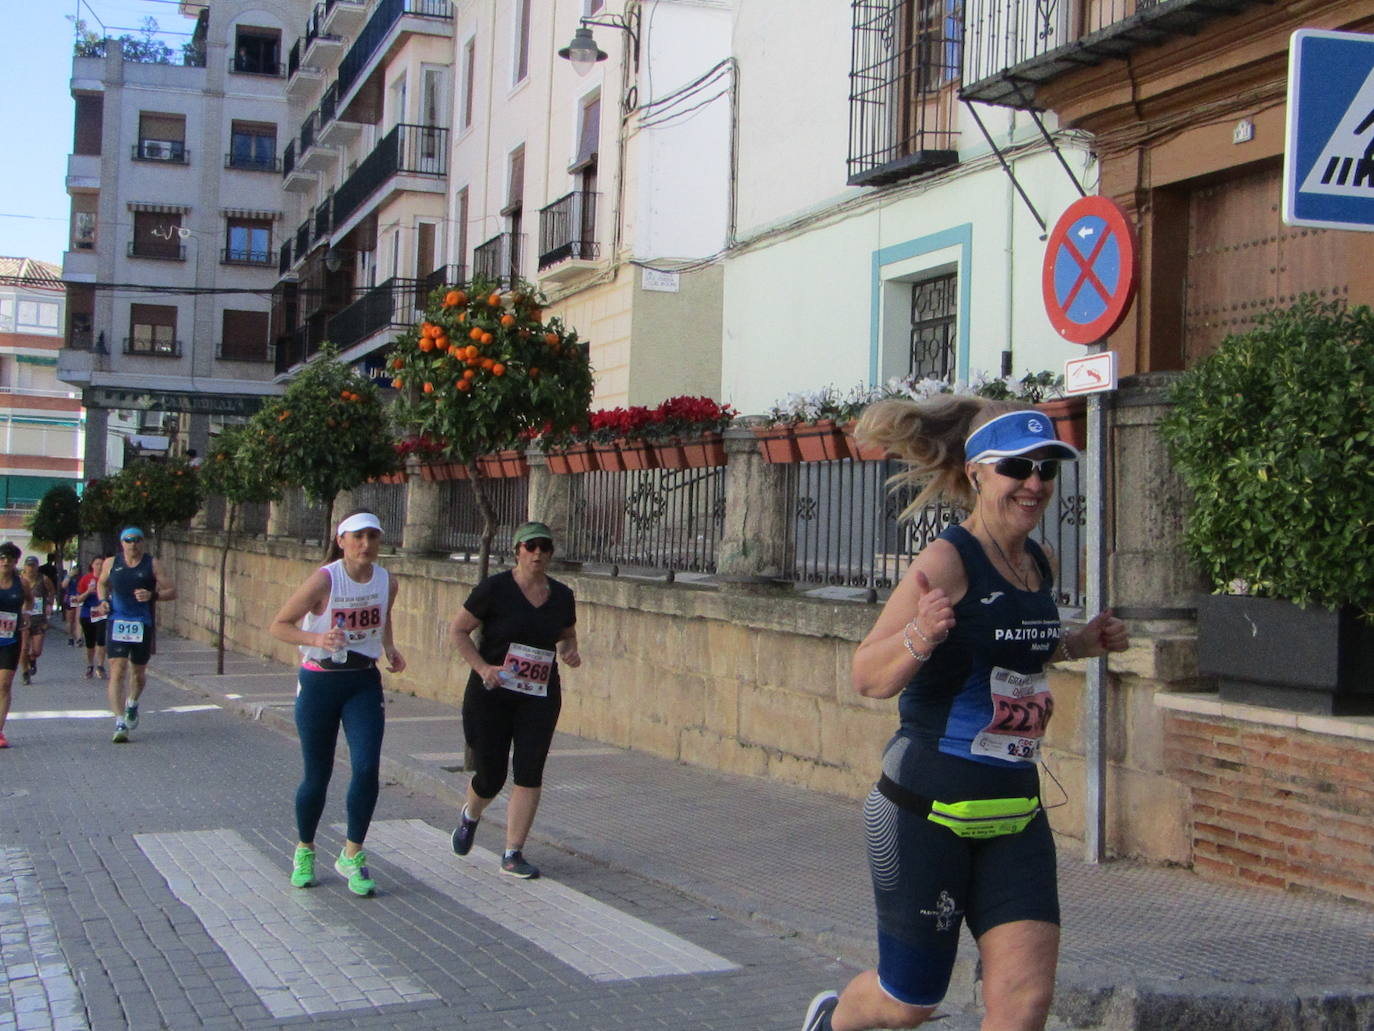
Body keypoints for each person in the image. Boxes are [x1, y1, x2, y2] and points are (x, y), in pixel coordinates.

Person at [800, 401, 1130, 1031]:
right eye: (1017, 467)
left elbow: (1015, 651)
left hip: (1015, 816)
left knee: (1024, 1003)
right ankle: (834, 1019)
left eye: (1046, 468)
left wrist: (1081, 645)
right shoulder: (946, 562)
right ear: (978, 472)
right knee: (909, 1002)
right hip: (927, 812)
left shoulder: (1040, 562)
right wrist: (919, 637)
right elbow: (867, 673)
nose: (1034, 482)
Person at [268, 510, 405, 897]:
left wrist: (389, 648)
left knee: (366, 768)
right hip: (320, 682)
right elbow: (279, 624)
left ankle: (352, 854)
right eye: (358, 537)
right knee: (318, 774)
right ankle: (305, 849)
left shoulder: (386, 581)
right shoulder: (325, 579)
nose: (366, 545)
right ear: (342, 540)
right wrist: (318, 640)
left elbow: (384, 615)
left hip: (362, 681)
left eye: (373, 537)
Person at [447, 520, 581, 879]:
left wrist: (570, 652)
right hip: (492, 695)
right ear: (518, 551)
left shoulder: (563, 595)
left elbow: (566, 635)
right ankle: (470, 814)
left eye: (545, 547)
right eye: (531, 546)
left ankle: (513, 852)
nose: (538, 553)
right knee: (491, 775)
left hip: (538, 696)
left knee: (530, 769)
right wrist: (482, 667)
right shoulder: (494, 589)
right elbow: (458, 630)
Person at [96, 527, 176, 743]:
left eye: (137, 540)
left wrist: (153, 595)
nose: (133, 544)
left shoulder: (152, 564)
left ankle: (132, 703)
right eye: (128, 540)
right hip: (117, 622)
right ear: (122, 543)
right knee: (117, 670)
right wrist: (103, 601)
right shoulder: (111, 563)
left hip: (142, 624)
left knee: (138, 674)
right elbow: (101, 583)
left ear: (143, 543)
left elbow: (172, 591)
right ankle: (119, 721)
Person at [0, 542, 34, 748]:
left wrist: (26, 615)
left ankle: (0, 731)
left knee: (3, 685)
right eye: (2, 558)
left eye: (10, 558)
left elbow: (29, 601)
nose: (5, 562)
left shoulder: (21, 583)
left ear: (15, 562)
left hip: (10, 639)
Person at [18, 556, 55, 686]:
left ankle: (32, 659)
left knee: (37, 650)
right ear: (24, 567)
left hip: (39, 619)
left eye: (33, 566)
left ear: (37, 567)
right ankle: (25, 673)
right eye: (28, 565)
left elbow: (52, 591)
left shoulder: (43, 579)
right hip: (23, 619)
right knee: (23, 648)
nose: (31, 568)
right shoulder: (19, 581)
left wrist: (49, 604)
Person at [76, 557, 107, 679]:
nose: (99, 566)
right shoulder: (86, 579)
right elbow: (78, 599)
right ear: (92, 565)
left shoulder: (106, 579)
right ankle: (90, 665)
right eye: (97, 564)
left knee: (101, 639)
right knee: (90, 643)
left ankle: (100, 665)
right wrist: (88, 591)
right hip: (87, 614)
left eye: (101, 564)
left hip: (101, 613)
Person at [62, 564, 80, 645]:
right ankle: (70, 637)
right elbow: (63, 585)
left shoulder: (81, 577)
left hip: (79, 598)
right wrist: (69, 576)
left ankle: (78, 637)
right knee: (70, 620)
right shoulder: (69, 576)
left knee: (78, 619)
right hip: (70, 599)